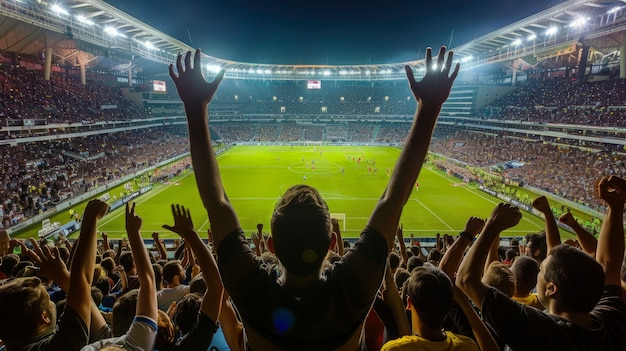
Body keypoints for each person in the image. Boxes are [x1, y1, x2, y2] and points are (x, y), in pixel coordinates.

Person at [169, 46, 459, 350]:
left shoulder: (252, 291)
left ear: (271, 246)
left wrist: (194, 108)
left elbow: (216, 203)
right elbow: (393, 198)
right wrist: (428, 107)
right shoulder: (351, 290)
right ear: (332, 243)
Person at [456, 176, 626, 350]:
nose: (539, 269)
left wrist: (492, 226)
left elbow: (465, 280)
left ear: (551, 289)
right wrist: (616, 206)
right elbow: (608, 264)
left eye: (541, 270)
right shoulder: (609, 319)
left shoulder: (543, 333)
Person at [0, 199, 108, 351]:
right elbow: (82, 281)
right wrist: (90, 218)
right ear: (44, 317)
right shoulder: (57, 347)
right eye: (47, 298)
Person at [83, 203, 158, 351]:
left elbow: (81, 289)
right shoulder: (136, 343)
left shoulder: (98, 344)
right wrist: (133, 232)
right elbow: (148, 280)